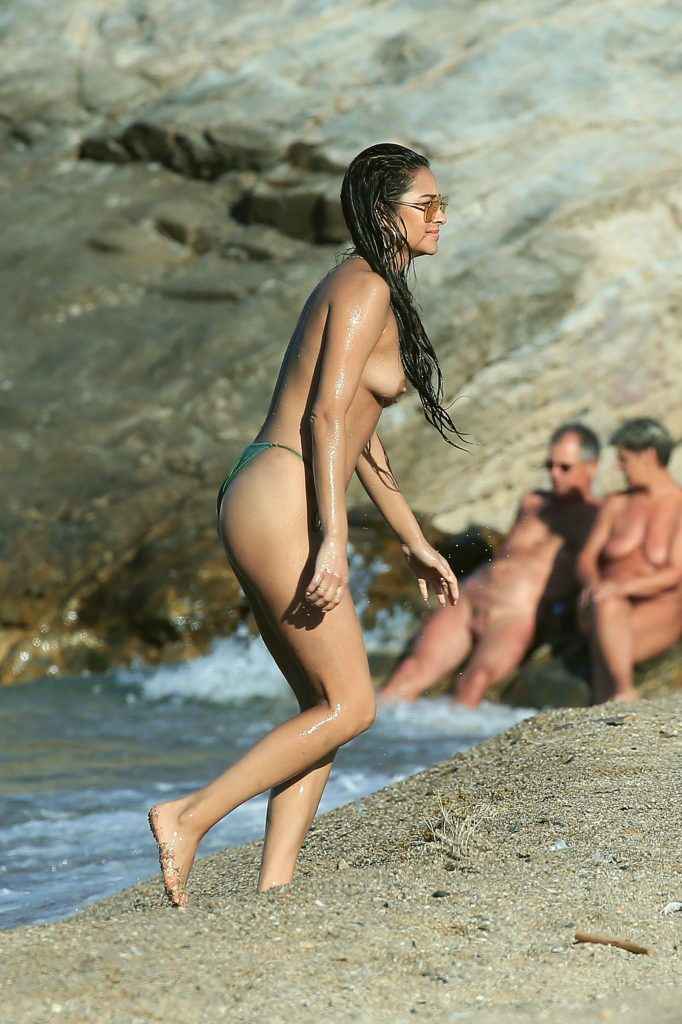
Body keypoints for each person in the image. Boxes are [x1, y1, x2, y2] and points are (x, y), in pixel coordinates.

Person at [148, 143, 461, 907]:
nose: (440, 217)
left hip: (267, 488)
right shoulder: (365, 288)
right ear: (384, 212)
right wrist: (334, 540)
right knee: (353, 705)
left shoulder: (367, 285)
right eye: (425, 204)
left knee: (325, 709)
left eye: (441, 203)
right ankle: (188, 816)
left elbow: (361, 436)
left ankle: (276, 887)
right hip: (282, 491)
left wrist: (413, 539)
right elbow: (324, 417)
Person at [381, 423, 601, 707]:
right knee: (410, 672)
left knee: (474, 683)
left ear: (591, 467)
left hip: (515, 614)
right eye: (550, 466)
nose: (554, 475)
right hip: (471, 596)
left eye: (565, 467)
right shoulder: (533, 502)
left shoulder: (598, 517)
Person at [577, 417, 682, 704]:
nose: (619, 468)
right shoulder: (617, 503)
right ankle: (622, 692)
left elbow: (675, 573)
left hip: (656, 610)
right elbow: (586, 557)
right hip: (603, 604)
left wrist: (620, 589)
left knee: (609, 611)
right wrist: (594, 584)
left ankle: (618, 692)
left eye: (624, 460)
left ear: (648, 455)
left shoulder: (679, 506)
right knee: (607, 607)